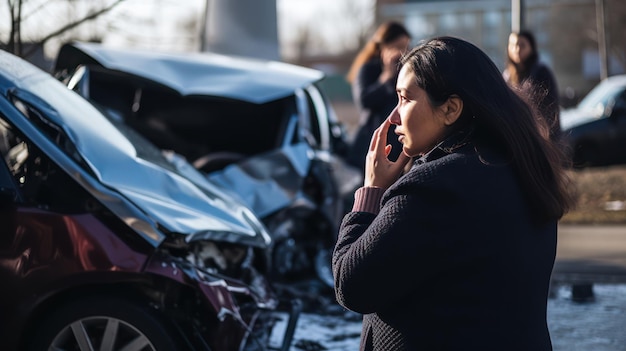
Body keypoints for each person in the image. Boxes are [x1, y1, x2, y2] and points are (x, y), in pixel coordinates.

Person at [332, 36, 574, 351]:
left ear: (450, 109)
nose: (393, 116)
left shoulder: (432, 189)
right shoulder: (524, 168)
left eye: (405, 98)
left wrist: (372, 192)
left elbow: (351, 286)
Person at [345, 21, 411, 171]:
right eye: (398, 47)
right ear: (383, 47)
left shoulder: (407, 72)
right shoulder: (369, 69)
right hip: (371, 141)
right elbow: (364, 101)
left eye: (406, 47)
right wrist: (387, 76)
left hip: (398, 143)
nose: (402, 53)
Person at [503, 30, 561, 142]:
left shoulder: (541, 73)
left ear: (531, 47)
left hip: (541, 138)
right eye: (513, 45)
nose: (517, 49)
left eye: (522, 45)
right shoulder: (507, 76)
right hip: (516, 138)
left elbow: (550, 109)